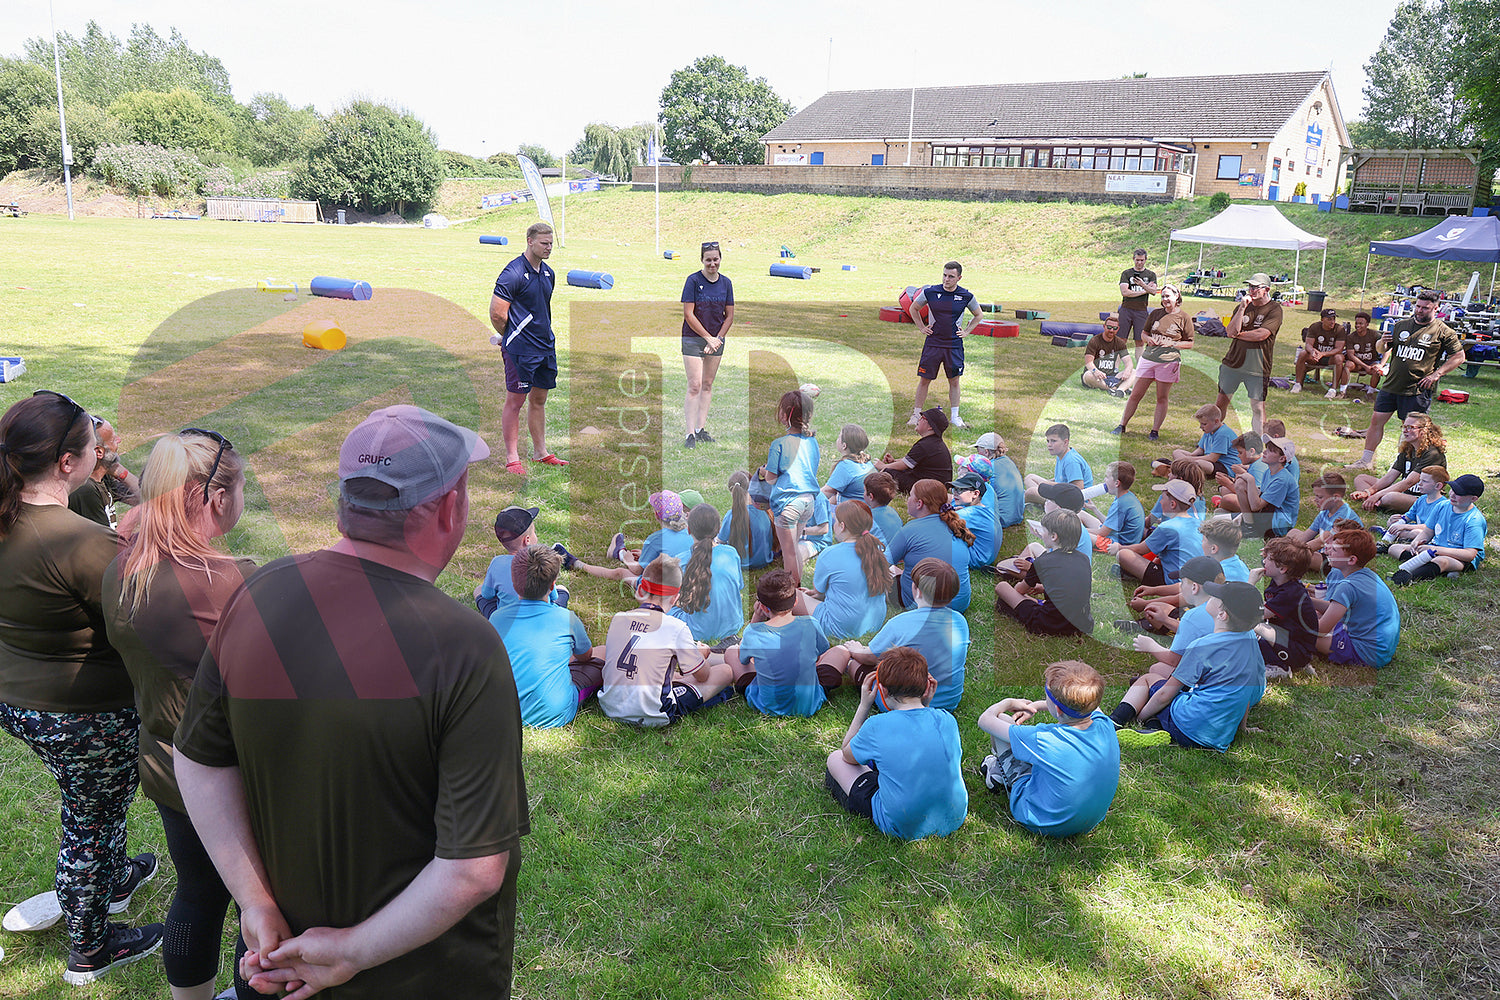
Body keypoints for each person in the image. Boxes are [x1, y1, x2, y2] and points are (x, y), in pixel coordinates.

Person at [175, 404, 527, 1000]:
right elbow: (473, 867)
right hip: (425, 979)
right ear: (451, 507)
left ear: (345, 504)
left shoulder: (259, 591)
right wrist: (350, 953)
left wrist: (254, 900)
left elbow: (200, 760)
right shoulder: (466, 646)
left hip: (275, 965)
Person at [0, 391, 164, 985]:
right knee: (89, 822)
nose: (103, 451)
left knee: (96, 801)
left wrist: (108, 464)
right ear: (67, 462)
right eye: (93, 446)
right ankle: (93, 949)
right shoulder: (81, 543)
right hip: (81, 711)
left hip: (22, 698)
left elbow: (118, 497)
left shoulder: (16, 510)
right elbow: (147, 618)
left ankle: (115, 877)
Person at [104, 429, 255, 1000]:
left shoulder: (122, 568)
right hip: (234, 776)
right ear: (216, 498)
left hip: (166, 762)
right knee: (256, 899)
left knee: (196, 890)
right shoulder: (231, 582)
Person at [824, 646, 968, 840]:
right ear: (927, 687)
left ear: (881, 690)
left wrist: (864, 705)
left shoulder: (877, 726)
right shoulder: (947, 719)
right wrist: (926, 705)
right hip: (954, 816)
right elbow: (920, 734)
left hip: (904, 826)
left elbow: (846, 755)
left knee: (835, 759)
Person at [1109, 581, 1267, 752]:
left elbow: (1164, 695)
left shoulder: (1202, 646)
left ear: (1222, 615)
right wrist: (1242, 728)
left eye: (1214, 597)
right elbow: (1246, 690)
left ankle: (1114, 722)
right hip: (1219, 736)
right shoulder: (1250, 639)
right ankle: (1153, 728)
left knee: (1149, 680)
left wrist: (1140, 716)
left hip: (1188, 726)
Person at [976, 661, 1120, 838]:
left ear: (1058, 709)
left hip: (1043, 822)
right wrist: (1037, 705)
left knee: (1003, 719)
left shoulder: (1044, 738)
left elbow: (985, 720)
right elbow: (1089, 707)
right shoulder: (1104, 724)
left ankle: (998, 773)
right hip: (1089, 820)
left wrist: (1008, 702)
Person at [596, 555, 735, 726]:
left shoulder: (618, 618)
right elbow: (703, 676)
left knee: (669, 674)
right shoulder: (676, 627)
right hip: (653, 713)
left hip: (609, 706)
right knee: (725, 671)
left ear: (640, 590)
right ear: (675, 598)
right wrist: (702, 655)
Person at [1349, 289, 1466, 470]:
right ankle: (1366, 461)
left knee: (1412, 430)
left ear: (1436, 308)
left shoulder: (1443, 331)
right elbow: (1382, 349)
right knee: (1376, 421)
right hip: (1391, 384)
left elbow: (1459, 356)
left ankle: (1404, 465)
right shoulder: (1401, 325)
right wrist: (1382, 343)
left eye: (1425, 308)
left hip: (1417, 388)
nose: (1419, 310)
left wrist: (1437, 374)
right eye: (1417, 306)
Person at [489, 545, 600, 728]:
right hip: (554, 714)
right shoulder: (567, 619)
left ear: (514, 582)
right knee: (602, 653)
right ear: (552, 585)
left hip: (504, 710)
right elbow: (586, 656)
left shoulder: (496, 618)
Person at [489, 221, 566, 475]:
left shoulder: (548, 273)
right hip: (520, 350)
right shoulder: (512, 273)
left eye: (551, 243)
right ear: (530, 241)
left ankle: (540, 453)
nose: (548, 248)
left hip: (545, 347)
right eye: (544, 243)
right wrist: (510, 337)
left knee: (539, 399)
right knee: (515, 401)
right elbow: (498, 314)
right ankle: (512, 458)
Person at [727, 570, 833, 716]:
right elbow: (821, 654)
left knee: (731, 652)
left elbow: (743, 660)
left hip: (766, 706)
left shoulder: (754, 632)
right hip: (808, 705)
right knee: (840, 651)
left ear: (763, 607)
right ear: (796, 601)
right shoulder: (811, 624)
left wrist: (756, 618)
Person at [797, 499, 891, 642]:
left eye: (835, 521)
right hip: (875, 621)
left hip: (842, 626)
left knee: (791, 596)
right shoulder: (876, 549)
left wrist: (813, 596)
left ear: (842, 526)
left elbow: (820, 591)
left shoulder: (829, 554)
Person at [906, 261, 982, 429]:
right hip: (933, 343)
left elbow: (978, 315)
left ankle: (955, 416)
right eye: (944, 275)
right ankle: (916, 414)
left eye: (951, 276)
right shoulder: (931, 292)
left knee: (954, 380)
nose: (946, 279)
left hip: (954, 345)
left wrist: (967, 331)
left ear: (959, 278)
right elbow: (914, 308)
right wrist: (921, 327)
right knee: (924, 379)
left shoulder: (966, 296)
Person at [995, 508, 1094, 637]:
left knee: (1002, 588)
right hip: (1081, 624)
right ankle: (1039, 604)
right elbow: (1072, 585)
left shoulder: (1043, 561)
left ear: (1054, 536)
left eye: (1044, 531)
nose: (1042, 534)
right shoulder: (1083, 558)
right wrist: (1043, 588)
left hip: (1049, 624)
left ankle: (1027, 607)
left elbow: (1019, 590)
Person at [1114, 285, 1193, 440]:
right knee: (1136, 394)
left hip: (1168, 362)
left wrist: (1173, 344)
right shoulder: (1156, 313)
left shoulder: (1184, 318)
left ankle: (1154, 431)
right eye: (1162, 296)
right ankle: (1122, 425)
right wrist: (1148, 339)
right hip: (1148, 359)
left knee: (1161, 397)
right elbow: (1144, 333)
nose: (1165, 300)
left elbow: (1190, 343)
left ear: (1177, 296)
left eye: (1168, 296)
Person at [1314, 529, 1400, 668]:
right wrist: (1308, 601)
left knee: (1302, 633)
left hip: (1367, 654)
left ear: (1352, 560)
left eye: (1334, 550)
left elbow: (1320, 630)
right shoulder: (1368, 575)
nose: (1327, 551)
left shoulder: (1347, 586)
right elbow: (1333, 609)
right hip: (1382, 650)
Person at [885, 479, 975, 611]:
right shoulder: (955, 526)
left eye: (910, 496)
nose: (907, 500)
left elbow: (882, 563)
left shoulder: (910, 529)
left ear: (919, 504)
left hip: (922, 604)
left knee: (886, 573)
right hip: (959, 604)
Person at [761, 390, 821, 583]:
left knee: (789, 553)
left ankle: (791, 594)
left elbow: (771, 479)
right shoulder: (813, 442)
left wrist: (763, 472)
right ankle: (798, 589)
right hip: (808, 502)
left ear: (785, 415)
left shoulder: (779, 444)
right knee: (794, 548)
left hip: (788, 505)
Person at [1215, 273, 1283, 438]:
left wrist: (1239, 334)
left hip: (1257, 366)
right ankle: (1211, 438)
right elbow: (1230, 331)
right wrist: (1242, 308)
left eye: (1255, 287)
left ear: (1266, 289)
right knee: (1221, 403)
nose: (1251, 290)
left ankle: (1259, 442)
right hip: (1233, 363)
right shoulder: (1243, 307)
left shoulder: (1274, 309)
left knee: (1258, 407)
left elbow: (1261, 334)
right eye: (1249, 287)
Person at [680, 240, 734, 448]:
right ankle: (689, 434)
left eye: (716, 260)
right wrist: (707, 338)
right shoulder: (693, 281)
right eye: (708, 260)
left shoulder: (726, 283)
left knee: (707, 385)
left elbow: (729, 317)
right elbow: (688, 314)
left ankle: (701, 429)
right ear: (702, 260)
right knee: (694, 385)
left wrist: (717, 339)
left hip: (717, 340)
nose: (712, 264)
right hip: (693, 339)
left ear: (720, 259)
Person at [1389, 474, 1487, 586]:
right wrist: (1416, 542)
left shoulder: (1474, 520)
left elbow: (1469, 554)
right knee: (1394, 548)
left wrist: (1434, 549)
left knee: (1441, 561)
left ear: (1473, 499)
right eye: (1452, 490)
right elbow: (1427, 531)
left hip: (1458, 558)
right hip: (1434, 550)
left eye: (1459, 493)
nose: (1452, 495)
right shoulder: (1442, 506)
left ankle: (1410, 577)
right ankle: (1439, 570)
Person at [673, 503, 747, 644]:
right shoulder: (731, 553)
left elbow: (672, 597)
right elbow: (739, 586)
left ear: (688, 530)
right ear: (718, 530)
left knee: (664, 610)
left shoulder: (681, 560)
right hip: (733, 625)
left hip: (697, 631)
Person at [1250, 537, 1320, 681]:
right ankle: (1291, 661)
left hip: (1298, 649)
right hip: (1289, 639)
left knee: (1255, 628)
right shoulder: (1279, 581)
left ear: (1282, 569)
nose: (1263, 561)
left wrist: (1250, 584)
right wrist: (1272, 553)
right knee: (1256, 641)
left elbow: (1258, 615)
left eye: (1268, 559)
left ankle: (1281, 668)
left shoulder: (1291, 593)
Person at [477, 505, 566, 617]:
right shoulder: (540, 562)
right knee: (562, 589)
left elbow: (487, 595)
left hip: (506, 619)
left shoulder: (497, 563)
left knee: (478, 591)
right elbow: (554, 597)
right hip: (542, 617)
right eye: (534, 532)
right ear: (527, 540)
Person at [1111, 479, 1204, 585]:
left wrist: (1119, 547)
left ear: (1172, 504)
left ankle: (1132, 574)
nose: (1160, 502)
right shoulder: (1198, 523)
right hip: (1195, 581)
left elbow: (1140, 549)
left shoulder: (1168, 526)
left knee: (1123, 555)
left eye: (1162, 499)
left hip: (1173, 581)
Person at [1350, 413, 1446, 515]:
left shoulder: (1432, 453)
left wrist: (1377, 494)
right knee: (1361, 479)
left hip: (1422, 499)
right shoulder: (1408, 448)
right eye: (1404, 427)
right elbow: (1390, 476)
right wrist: (1369, 491)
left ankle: (1376, 502)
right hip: (1404, 492)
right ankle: (1374, 501)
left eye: (1410, 427)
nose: (1405, 430)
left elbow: (1408, 482)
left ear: (1424, 430)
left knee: (1390, 497)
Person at [67, 416, 140, 530]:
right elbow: (103, 544)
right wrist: (132, 518)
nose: (119, 440)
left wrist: (122, 473)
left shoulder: (103, 478)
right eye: (113, 439)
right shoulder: (85, 491)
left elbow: (144, 498)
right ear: (99, 452)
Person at [875, 406, 952, 493]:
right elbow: (911, 462)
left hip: (929, 489)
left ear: (930, 426)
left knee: (887, 473)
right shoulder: (933, 443)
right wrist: (894, 461)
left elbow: (904, 465)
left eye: (923, 418)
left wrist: (883, 466)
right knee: (898, 470)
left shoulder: (924, 445)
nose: (919, 420)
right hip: (938, 485)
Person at [1234, 437, 1299, 539]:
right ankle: (1249, 525)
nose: (1264, 452)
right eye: (1266, 449)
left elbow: (1256, 506)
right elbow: (1261, 494)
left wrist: (1250, 480)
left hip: (1278, 524)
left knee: (1245, 483)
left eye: (1270, 451)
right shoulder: (1268, 471)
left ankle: (1253, 529)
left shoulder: (1282, 480)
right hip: (1269, 513)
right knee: (1241, 483)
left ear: (1281, 459)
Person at [1161, 403, 1237, 481]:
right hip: (1211, 462)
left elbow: (1212, 458)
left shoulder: (1223, 433)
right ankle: (1183, 468)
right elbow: (1201, 449)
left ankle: (1180, 468)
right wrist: (1191, 455)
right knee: (1177, 452)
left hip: (1224, 467)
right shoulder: (1209, 430)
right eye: (1200, 423)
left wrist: (1187, 459)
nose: (1201, 427)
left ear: (1216, 421)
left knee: (1200, 463)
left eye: (1204, 424)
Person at [1287, 474, 1360, 555]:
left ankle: (1291, 555)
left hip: (1336, 558)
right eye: (1316, 496)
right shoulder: (1325, 512)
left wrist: (1294, 551)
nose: (1315, 500)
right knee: (1293, 532)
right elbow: (1307, 535)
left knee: (1303, 555)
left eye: (1320, 497)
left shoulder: (1344, 517)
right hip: (1323, 550)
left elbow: (1322, 541)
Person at [1080, 461, 1145, 548]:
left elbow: (1102, 533)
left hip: (1116, 544)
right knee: (1080, 513)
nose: (1104, 480)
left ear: (1116, 483)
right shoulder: (1125, 496)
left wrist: (1077, 530)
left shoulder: (1121, 504)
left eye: (1107, 477)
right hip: (1114, 535)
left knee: (1076, 534)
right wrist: (1094, 509)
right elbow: (1110, 524)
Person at [718, 471, 775, 569]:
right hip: (764, 560)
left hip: (740, 563)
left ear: (732, 493)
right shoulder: (764, 511)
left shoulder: (731, 515)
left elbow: (721, 541)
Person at [1023, 422, 1093, 503]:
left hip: (1071, 502)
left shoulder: (1071, 461)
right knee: (1030, 478)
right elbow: (1062, 479)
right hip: (1060, 493)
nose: (1049, 444)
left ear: (1065, 442)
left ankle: (1037, 502)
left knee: (1030, 492)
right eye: (1048, 441)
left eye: (1053, 441)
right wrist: (1047, 484)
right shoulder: (1061, 455)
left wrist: (1049, 485)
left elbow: (1078, 489)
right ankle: (1041, 501)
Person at [971, 432, 1024, 528]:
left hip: (1000, 519)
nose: (977, 455)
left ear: (986, 452)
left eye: (978, 451)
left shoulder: (988, 469)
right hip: (1017, 516)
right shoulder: (1008, 461)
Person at [1291, 308, 1348, 398]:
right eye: (1329, 319)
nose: (1332, 322)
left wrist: (1323, 354)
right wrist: (1313, 351)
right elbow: (1308, 344)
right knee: (1302, 353)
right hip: (1315, 356)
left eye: (1333, 319)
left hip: (1330, 358)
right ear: (1322, 320)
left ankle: (1333, 389)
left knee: (1339, 358)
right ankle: (1298, 384)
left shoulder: (1339, 329)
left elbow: (1339, 349)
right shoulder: (1315, 327)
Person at [1118, 248, 1159, 363]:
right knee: (1121, 339)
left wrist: (1142, 284)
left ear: (1145, 260)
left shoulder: (1151, 275)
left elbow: (1154, 292)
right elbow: (1125, 292)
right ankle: (1114, 367)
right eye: (1137, 260)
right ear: (1133, 259)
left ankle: (1139, 368)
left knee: (1140, 340)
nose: (1139, 263)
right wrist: (1145, 289)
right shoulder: (1126, 273)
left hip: (1141, 311)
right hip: (1126, 309)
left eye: (1142, 260)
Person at [951, 469, 998, 566]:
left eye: (960, 489)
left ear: (975, 494)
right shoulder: (985, 509)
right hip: (987, 556)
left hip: (977, 559)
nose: (955, 493)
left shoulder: (969, 514)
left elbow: (936, 524)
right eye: (954, 489)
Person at [1082, 314, 1135, 397]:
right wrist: (1096, 371)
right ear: (1104, 326)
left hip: (1112, 376)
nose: (1111, 330)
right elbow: (1089, 363)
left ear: (1118, 329)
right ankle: (1114, 389)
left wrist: (1127, 370)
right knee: (1087, 375)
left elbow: (1128, 362)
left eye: (1115, 328)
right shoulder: (1094, 341)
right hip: (1097, 376)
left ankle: (1120, 391)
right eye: (1109, 327)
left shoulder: (1120, 343)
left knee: (1134, 371)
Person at [822, 424, 876, 504]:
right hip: (867, 510)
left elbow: (826, 492)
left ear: (844, 445)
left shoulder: (845, 465)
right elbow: (835, 495)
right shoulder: (866, 461)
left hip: (855, 513)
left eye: (839, 437)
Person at [1340, 311, 1384, 397]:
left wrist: (1381, 364)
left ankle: (1370, 393)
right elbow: (1350, 355)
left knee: (1377, 370)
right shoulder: (1351, 337)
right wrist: (1365, 366)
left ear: (1367, 324)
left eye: (1361, 323)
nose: (1357, 326)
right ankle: (1342, 392)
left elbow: (1387, 348)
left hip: (1372, 361)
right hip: (1357, 362)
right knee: (1348, 365)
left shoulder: (1375, 335)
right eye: (1356, 323)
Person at [862, 470, 905, 546]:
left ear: (871, 496)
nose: (863, 493)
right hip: (898, 552)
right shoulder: (892, 511)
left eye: (864, 491)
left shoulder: (868, 518)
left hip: (882, 555)